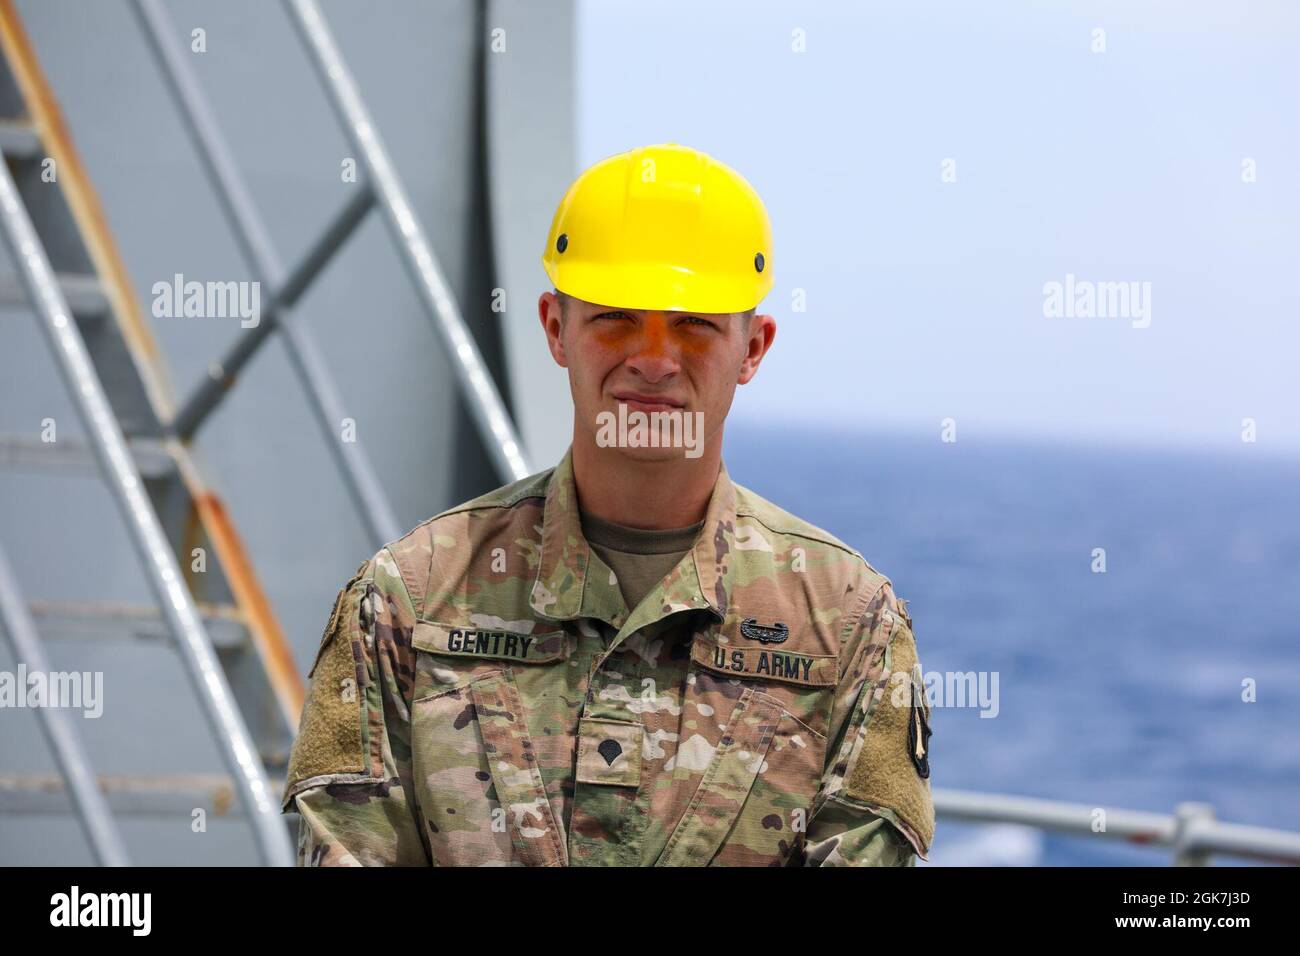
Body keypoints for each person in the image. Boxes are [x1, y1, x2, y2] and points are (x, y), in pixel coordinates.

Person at [281, 142, 934, 866]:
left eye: (693, 324)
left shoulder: (845, 623)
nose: (653, 359)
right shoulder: (409, 599)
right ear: (557, 330)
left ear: (754, 348)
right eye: (616, 318)